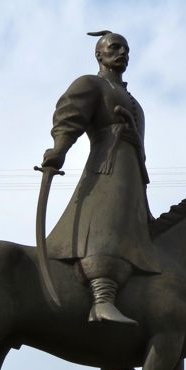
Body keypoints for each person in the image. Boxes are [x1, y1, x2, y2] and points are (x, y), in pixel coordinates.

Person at [40, 31, 161, 324]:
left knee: (137, 233)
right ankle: (101, 300)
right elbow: (69, 116)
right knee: (107, 226)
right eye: (115, 48)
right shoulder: (91, 84)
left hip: (133, 175)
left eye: (126, 49)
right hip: (108, 169)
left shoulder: (133, 100)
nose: (122, 53)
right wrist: (59, 148)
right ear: (99, 54)